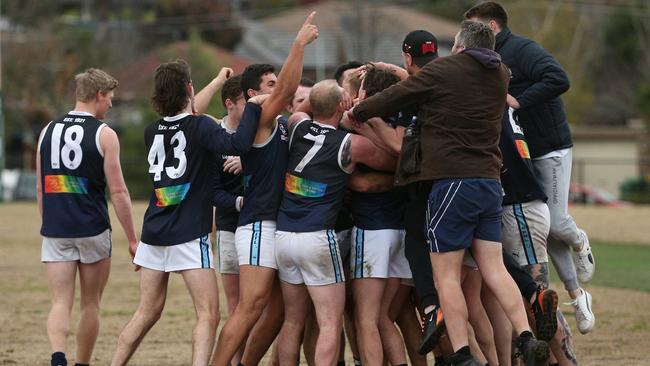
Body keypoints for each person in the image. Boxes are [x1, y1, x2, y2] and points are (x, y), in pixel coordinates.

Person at [349, 20, 549, 366]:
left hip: (453, 183)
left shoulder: (448, 68)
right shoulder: (500, 73)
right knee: (494, 268)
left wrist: (361, 111)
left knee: (445, 277)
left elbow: (400, 95)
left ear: (463, 45)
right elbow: (431, 81)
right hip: (490, 183)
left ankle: (461, 353)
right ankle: (527, 337)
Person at [110, 59, 261, 366]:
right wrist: (255, 106)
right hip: (189, 232)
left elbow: (188, 116)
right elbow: (239, 142)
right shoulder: (201, 125)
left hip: (154, 231)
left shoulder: (152, 131)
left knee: (146, 312)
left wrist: (218, 81)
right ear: (189, 90)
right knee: (208, 314)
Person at [464, 1, 595, 335]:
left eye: (473, 27)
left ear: (491, 27)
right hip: (524, 152)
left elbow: (558, 78)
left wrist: (518, 100)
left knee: (558, 220)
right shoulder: (485, 61)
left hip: (550, 147)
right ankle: (577, 296)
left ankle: (579, 241)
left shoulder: (523, 50)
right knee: (546, 229)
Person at [211, 12, 319, 366]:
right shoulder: (262, 116)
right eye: (269, 84)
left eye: (276, 82)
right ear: (254, 94)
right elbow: (289, 89)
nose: (279, 87)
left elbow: (306, 98)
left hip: (279, 224)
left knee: (275, 313)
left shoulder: (283, 120)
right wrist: (298, 45)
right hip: (259, 223)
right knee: (250, 307)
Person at [274, 79, 397, 366]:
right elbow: (395, 158)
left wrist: (325, 98)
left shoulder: (297, 124)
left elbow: (306, 107)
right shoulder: (351, 143)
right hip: (317, 237)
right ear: (342, 105)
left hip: (284, 235)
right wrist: (358, 118)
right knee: (329, 322)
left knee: (293, 322)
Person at [36, 68, 138, 366]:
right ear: (98, 96)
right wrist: (132, 239)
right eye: (110, 99)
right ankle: (81, 363)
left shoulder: (47, 131)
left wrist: (50, 223)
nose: (110, 105)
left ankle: (58, 358)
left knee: (60, 302)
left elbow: (42, 190)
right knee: (90, 302)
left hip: (56, 230)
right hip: (93, 229)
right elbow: (118, 193)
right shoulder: (105, 135)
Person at [211, 75, 247, 366]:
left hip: (262, 226)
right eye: (246, 102)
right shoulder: (214, 136)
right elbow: (212, 191)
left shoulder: (259, 131)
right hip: (228, 229)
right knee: (235, 305)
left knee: (258, 305)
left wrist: (248, 163)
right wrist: (238, 202)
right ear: (229, 104)